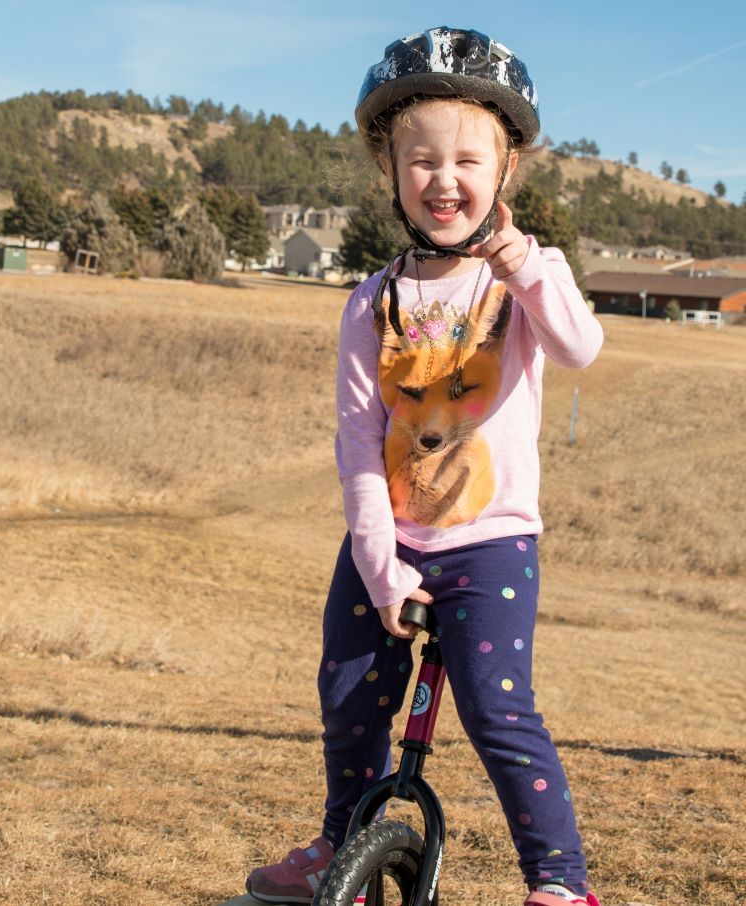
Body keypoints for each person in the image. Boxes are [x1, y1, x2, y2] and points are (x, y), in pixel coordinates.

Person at [246, 25, 603, 906]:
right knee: (349, 692)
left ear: (506, 169)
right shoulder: (371, 303)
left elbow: (580, 347)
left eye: (468, 160)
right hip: (389, 541)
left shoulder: (523, 281)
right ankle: (343, 843)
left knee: (497, 708)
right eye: (421, 160)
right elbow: (360, 442)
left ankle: (559, 883)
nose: (445, 179)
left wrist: (520, 262)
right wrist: (379, 561)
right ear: (390, 171)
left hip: (490, 544)